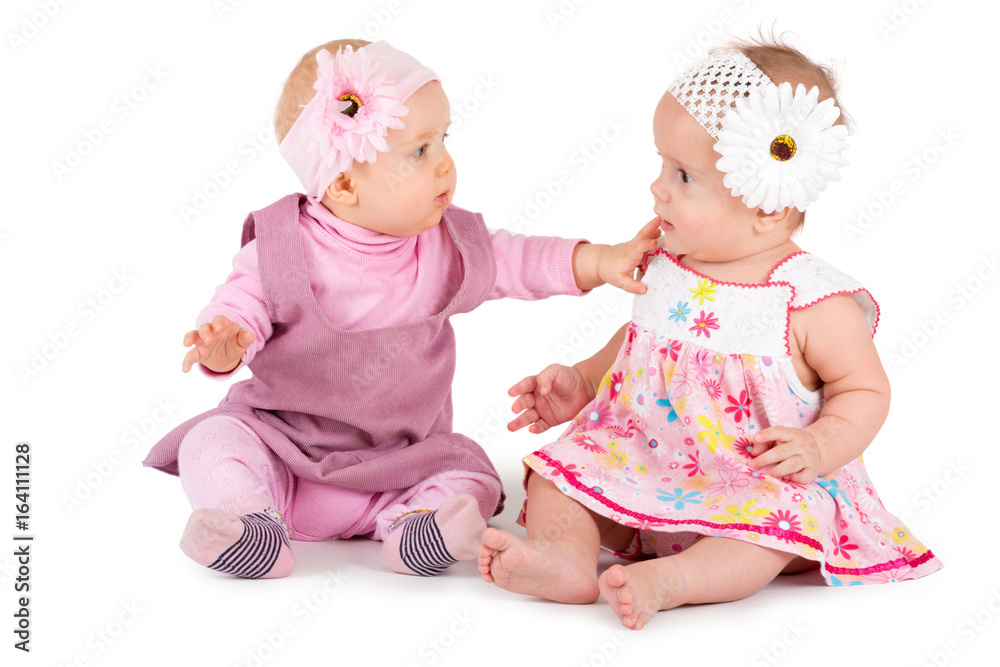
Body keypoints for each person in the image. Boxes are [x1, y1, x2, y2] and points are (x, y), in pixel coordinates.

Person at [143, 38, 658, 579]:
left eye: (442, 141)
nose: (445, 166)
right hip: (284, 450)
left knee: (475, 475)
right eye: (419, 152)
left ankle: (416, 528)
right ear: (342, 184)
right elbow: (238, 306)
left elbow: (517, 259)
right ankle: (248, 524)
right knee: (212, 439)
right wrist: (224, 342)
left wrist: (601, 261)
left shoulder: (445, 246)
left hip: (400, 463)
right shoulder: (280, 249)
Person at [478, 38, 942, 629]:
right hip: (648, 467)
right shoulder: (667, 261)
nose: (657, 189)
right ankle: (565, 558)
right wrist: (584, 379)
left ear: (768, 204)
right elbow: (638, 342)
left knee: (777, 526)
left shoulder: (809, 300)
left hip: (753, 485)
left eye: (683, 175)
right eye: (661, 166)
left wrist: (819, 447)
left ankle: (674, 581)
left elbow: (866, 390)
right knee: (559, 472)